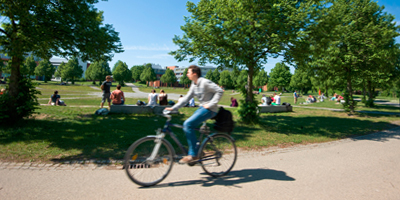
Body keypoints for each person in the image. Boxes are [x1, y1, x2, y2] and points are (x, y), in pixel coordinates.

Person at [165, 65, 223, 164]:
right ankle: (199, 151)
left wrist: (210, 104)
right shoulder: (194, 84)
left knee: (188, 124)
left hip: (210, 109)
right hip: (202, 108)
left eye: (188, 72)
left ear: (194, 73)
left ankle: (193, 154)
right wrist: (173, 108)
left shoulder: (204, 82)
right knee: (189, 125)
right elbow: (186, 98)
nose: (187, 74)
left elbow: (219, 91)